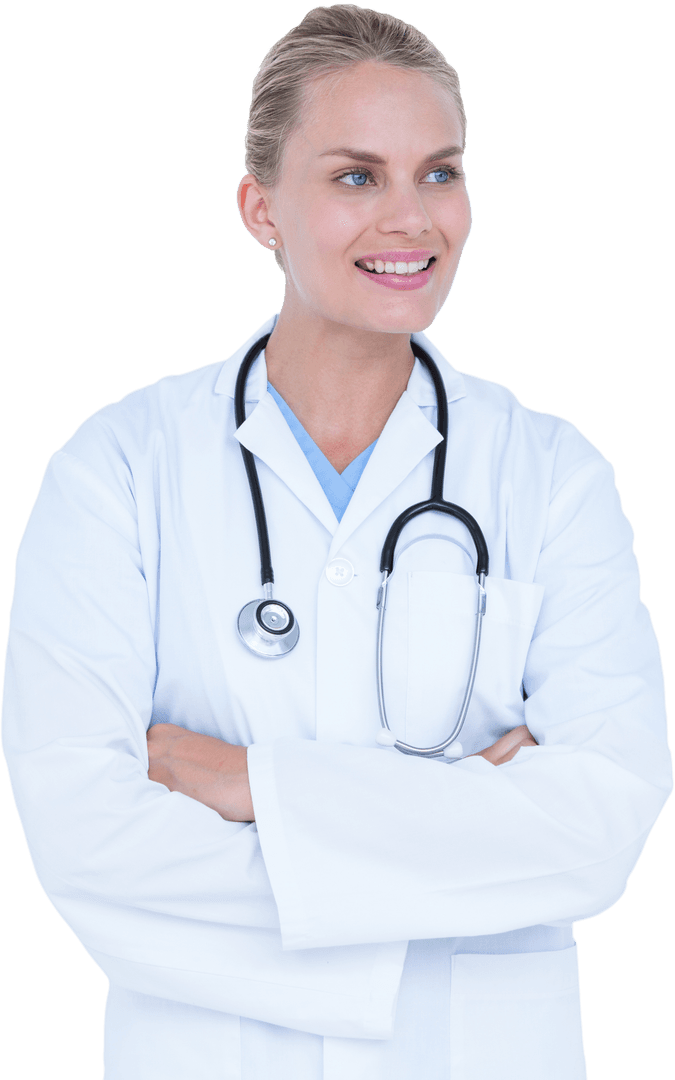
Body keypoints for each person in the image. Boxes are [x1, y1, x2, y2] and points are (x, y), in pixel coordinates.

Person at [2, 4, 672, 1078]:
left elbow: (602, 828)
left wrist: (253, 787)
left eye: (439, 173)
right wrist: (464, 830)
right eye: (356, 176)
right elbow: (84, 839)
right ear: (260, 208)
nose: (411, 218)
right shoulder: (118, 468)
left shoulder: (551, 474)